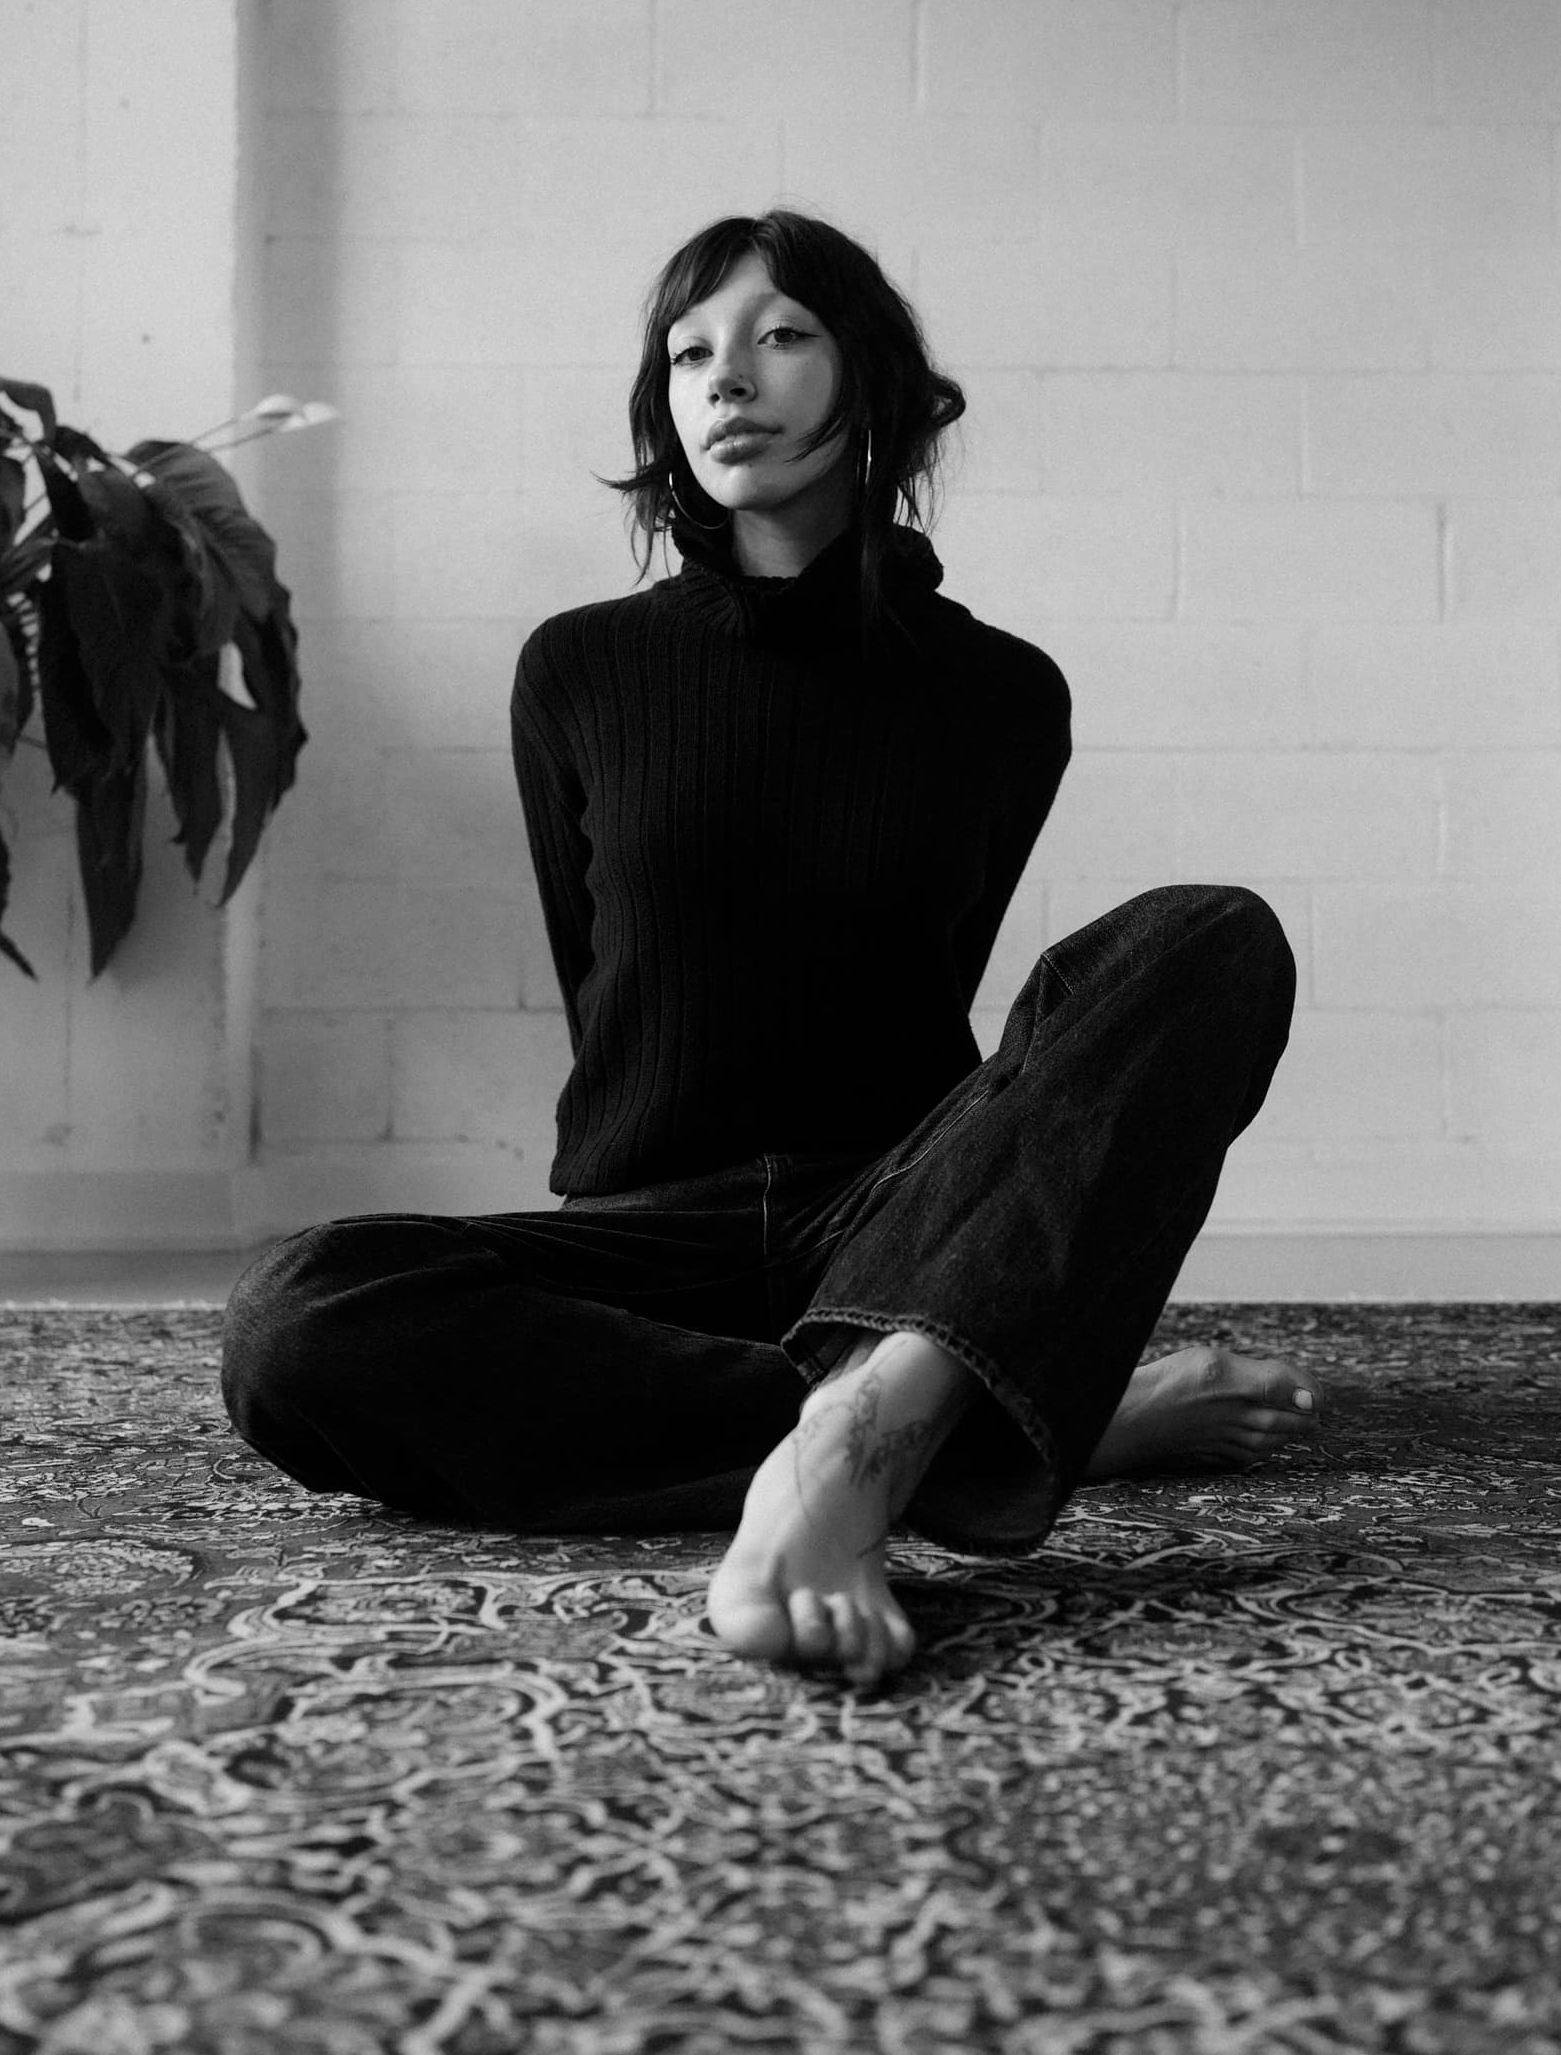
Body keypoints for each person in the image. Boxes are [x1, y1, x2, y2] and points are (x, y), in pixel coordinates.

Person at [222, 209, 1321, 1690]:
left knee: (1210, 941)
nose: (728, 378)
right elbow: (600, 976)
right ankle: (986, 1405)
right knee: (302, 1325)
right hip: (645, 1232)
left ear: (873, 381)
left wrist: (942, 1231)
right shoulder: (580, 669)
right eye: (691, 352)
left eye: (781, 334)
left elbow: (938, 970)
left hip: (895, 1209)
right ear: (664, 410)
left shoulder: (1004, 695)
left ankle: (871, 1435)